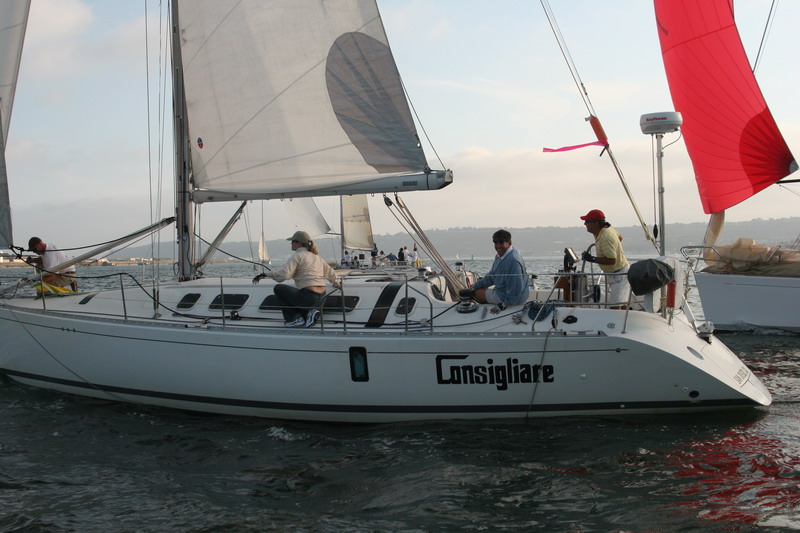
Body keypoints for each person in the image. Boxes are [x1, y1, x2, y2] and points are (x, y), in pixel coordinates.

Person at [253, 231, 339, 327]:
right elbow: (331, 273)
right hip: (322, 298)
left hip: (309, 297)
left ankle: (294, 319)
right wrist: (337, 283)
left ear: (299, 243)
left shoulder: (297, 256)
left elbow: (284, 275)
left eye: (293, 241)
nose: (291, 243)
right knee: (301, 295)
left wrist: (265, 274)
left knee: (279, 288)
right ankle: (310, 313)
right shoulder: (317, 257)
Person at [579, 209, 630, 309]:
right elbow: (620, 237)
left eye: (587, 221)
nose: (585, 224)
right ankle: (623, 317)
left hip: (619, 274)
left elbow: (612, 260)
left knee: (615, 306)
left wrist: (592, 259)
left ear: (596, 223)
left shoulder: (605, 236)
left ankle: (619, 319)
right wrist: (614, 245)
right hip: (615, 273)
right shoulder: (605, 230)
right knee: (620, 303)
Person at [470, 229, 529, 312]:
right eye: (495, 243)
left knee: (477, 293)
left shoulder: (512, 261)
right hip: (503, 292)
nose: (498, 246)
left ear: (509, 243)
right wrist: (475, 286)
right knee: (477, 288)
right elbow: (492, 277)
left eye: (501, 242)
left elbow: (516, 288)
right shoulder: (500, 256)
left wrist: (504, 304)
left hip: (511, 298)